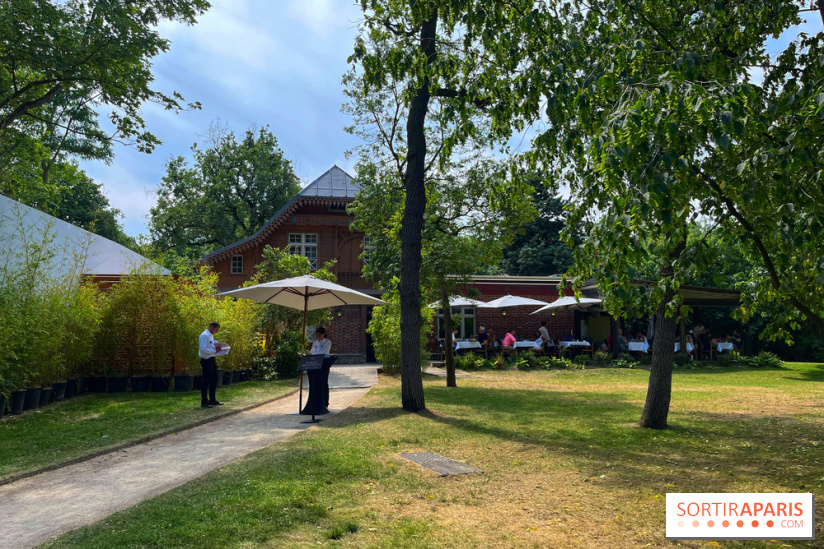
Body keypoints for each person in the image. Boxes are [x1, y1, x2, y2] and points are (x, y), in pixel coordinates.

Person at [198, 321, 224, 408]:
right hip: (206, 360)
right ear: (212, 327)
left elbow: (210, 346)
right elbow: (203, 349)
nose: (216, 332)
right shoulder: (204, 335)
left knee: (214, 379)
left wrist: (217, 348)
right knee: (206, 380)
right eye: (216, 330)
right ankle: (204, 401)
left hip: (212, 359)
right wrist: (214, 351)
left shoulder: (210, 336)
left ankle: (212, 399)